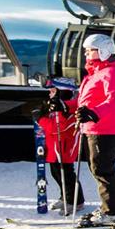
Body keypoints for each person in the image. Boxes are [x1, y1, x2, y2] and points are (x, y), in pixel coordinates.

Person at [76, 33, 115, 227]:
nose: (86, 54)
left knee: (102, 168)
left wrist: (94, 113)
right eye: (86, 50)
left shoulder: (111, 72)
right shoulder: (96, 73)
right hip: (94, 127)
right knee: (98, 168)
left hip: (106, 128)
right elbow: (87, 100)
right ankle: (112, 206)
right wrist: (70, 108)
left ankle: (114, 211)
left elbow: (114, 100)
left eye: (90, 50)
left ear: (103, 51)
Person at [35, 77, 85, 215]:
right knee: (56, 173)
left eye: (52, 91)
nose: (49, 94)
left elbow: (58, 127)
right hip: (54, 147)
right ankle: (65, 196)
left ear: (62, 92)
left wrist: (41, 119)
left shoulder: (71, 107)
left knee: (67, 174)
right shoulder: (55, 105)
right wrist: (43, 112)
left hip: (65, 147)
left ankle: (75, 201)